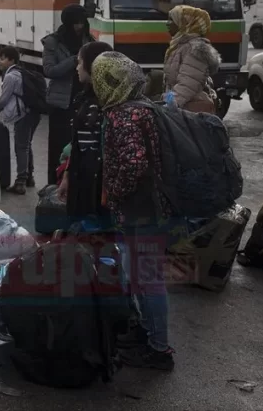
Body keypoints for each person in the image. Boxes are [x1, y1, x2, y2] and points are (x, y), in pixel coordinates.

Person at [91, 51, 174, 372]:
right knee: (140, 276)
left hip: (142, 211)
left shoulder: (121, 116)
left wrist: (116, 191)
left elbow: (134, 163)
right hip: (152, 206)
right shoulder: (143, 107)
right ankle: (147, 332)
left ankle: (158, 349)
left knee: (148, 278)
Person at [57, 41, 113, 223]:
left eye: (80, 62)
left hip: (96, 189)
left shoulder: (105, 104)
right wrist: (67, 175)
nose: (77, 68)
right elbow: (78, 146)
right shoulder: (85, 99)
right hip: (81, 180)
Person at [42, 4, 93, 189]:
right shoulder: (53, 42)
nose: (80, 27)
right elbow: (49, 70)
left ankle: (75, 184)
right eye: (76, 23)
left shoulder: (88, 39)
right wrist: (73, 60)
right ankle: (53, 186)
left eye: (82, 22)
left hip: (83, 100)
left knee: (79, 146)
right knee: (58, 147)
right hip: (61, 103)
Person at [0, 45, 41, 195]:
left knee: (21, 147)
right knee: (26, 144)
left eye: (3, 58)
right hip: (33, 113)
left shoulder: (11, 76)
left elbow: (4, 99)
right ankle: (29, 177)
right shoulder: (20, 72)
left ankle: (20, 182)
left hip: (23, 115)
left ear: (12, 60)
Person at [164, 5, 220, 114]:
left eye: (172, 20)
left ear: (185, 24)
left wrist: (168, 104)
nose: (167, 23)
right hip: (182, 109)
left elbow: (188, 84)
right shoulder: (180, 45)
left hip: (189, 113)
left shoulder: (194, 49)